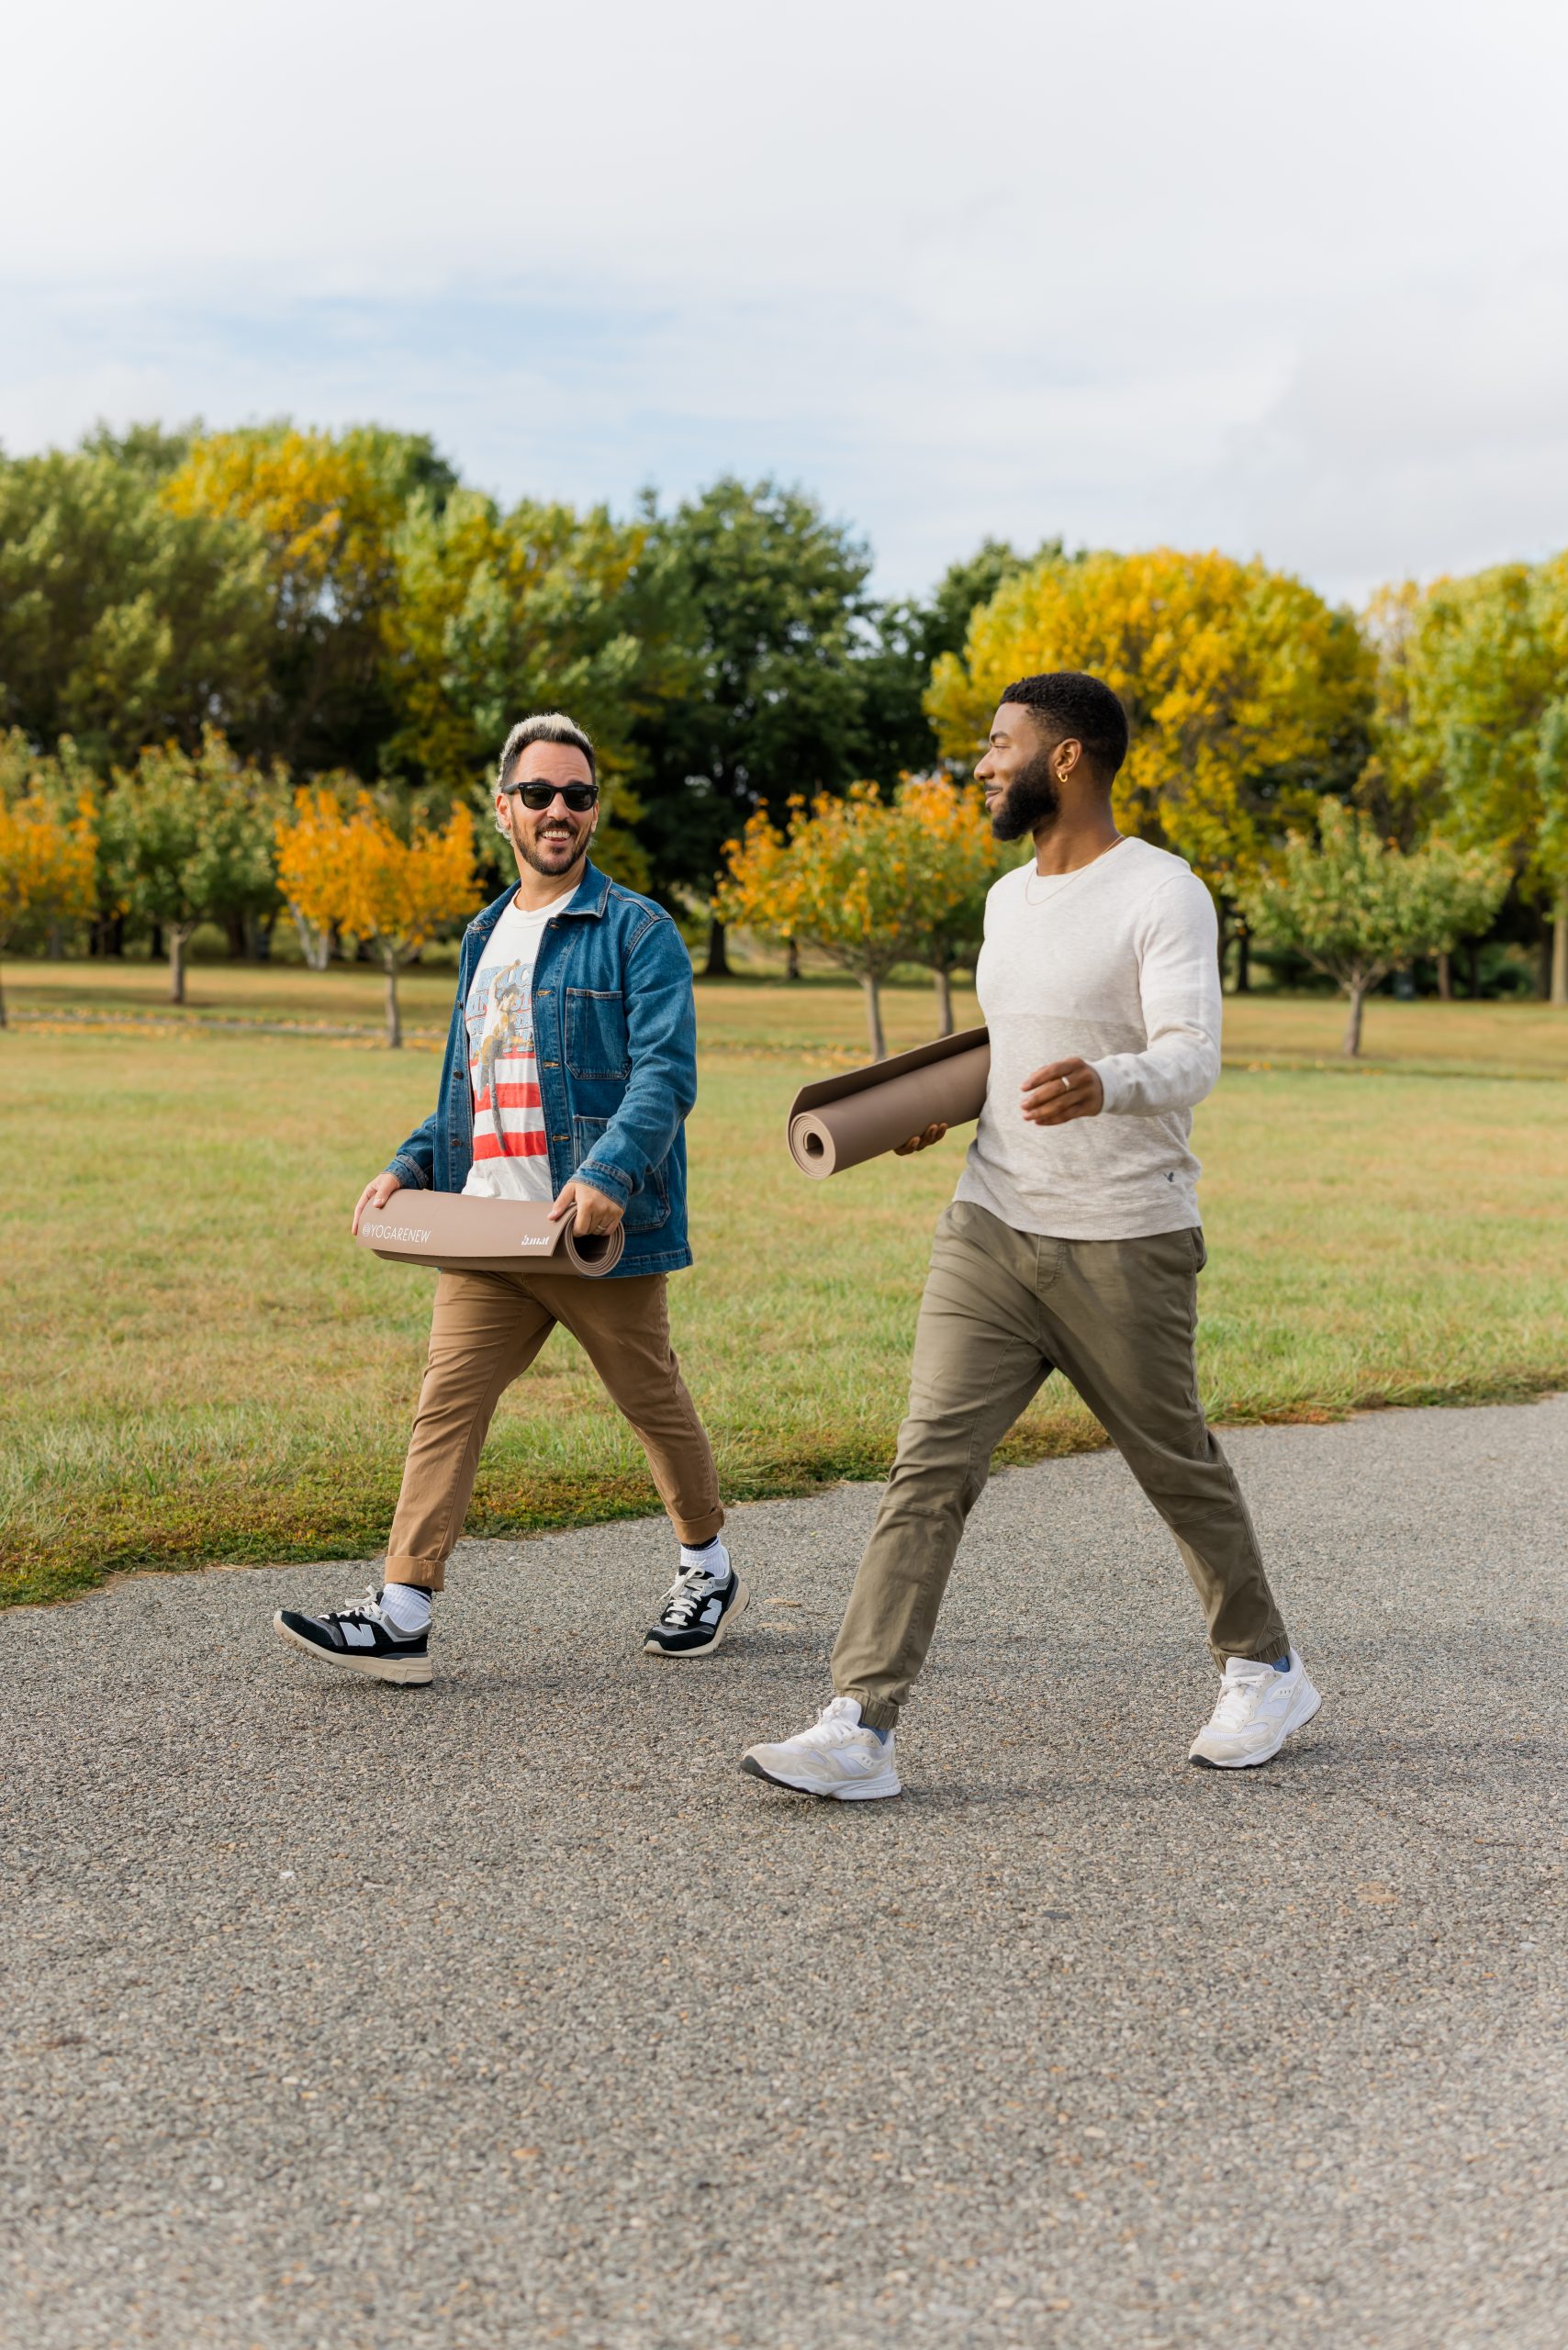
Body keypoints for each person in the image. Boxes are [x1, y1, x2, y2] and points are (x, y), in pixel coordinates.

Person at [742, 671, 1319, 1798]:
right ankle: (858, 1723)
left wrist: (1105, 1083)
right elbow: (1013, 1046)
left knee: (1175, 1467)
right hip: (991, 1225)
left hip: (1123, 1237)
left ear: (1067, 758)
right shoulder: (1008, 899)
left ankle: (1265, 1668)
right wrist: (938, 1108)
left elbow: (1191, 1053)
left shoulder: (1163, 892)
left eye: (999, 743)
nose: (981, 762)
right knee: (929, 1467)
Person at [274, 712, 744, 1686]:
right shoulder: (484, 934)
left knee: (651, 1402)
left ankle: (706, 1563)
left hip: (582, 1230)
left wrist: (610, 1179)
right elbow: (472, 1084)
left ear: (594, 811)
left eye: (577, 794)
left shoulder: (637, 929)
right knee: (445, 1404)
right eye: (539, 794)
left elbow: (665, 1075)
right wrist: (409, 1164)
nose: (559, 810)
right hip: (487, 1221)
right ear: (504, 809)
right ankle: (403, 1609)